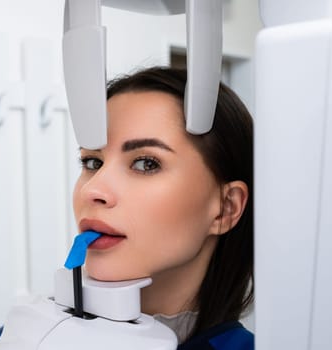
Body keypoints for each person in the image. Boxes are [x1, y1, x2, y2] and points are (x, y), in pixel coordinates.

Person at [73, 67, 254, 350]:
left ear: (225, 208)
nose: (92, 190)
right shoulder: (23, 338)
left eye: (146, 163)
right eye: (92, 163)